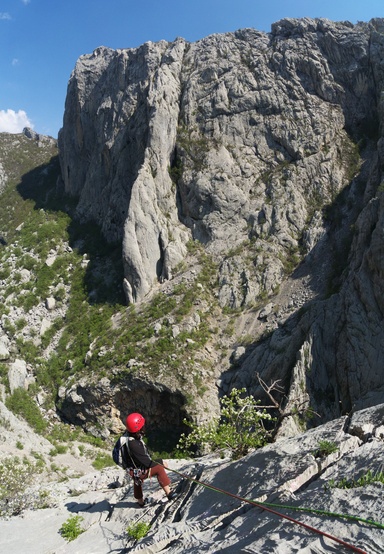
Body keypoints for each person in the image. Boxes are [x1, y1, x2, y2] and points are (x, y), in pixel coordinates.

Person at [125, 412, 177, 507]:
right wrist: (161, 462)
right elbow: (147, 463)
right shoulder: (134, 445)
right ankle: (169, 493)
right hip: (138, 470)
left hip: (132, 470)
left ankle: (140, 502)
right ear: (138, 428)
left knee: (137, 481)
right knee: (158, 468)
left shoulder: (128, 438)